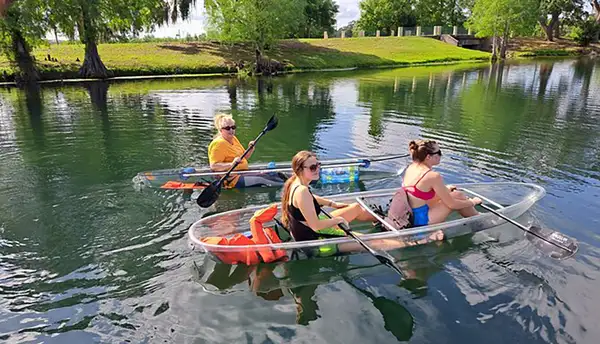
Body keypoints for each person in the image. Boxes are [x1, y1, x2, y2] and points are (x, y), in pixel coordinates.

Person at [280, 150, 411, 256]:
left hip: (312, 226)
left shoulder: (295, 182)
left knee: (355, 207)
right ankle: (412, 243)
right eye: (313, 167)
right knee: (375, 241)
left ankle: (385, 221)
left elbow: (310, 198)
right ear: (299, 169)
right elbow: (316, 226)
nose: (317, 169)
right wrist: (338, 220)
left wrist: (332, 204)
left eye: (318, 165)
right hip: (317, 241)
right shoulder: (301, 191)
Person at [402, 139, 482, 228]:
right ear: (428, 157)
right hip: (421, 220)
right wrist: (472, 202)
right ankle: (480, 221)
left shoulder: (411, 167)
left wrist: (446, 189)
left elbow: (420, 193)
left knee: (458, 194)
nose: (441, 155)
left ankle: (476, 217)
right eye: (438, 152)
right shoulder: (432, 176)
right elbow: (452, 204)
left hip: (410, 213)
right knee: (459, 198)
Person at [208, 113, 283, 188]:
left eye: (233, 127)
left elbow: (244, 157)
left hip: (243, 172)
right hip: (232, 179)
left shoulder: (233, 139)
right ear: (221, 130)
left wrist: (250, 149)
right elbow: (214, 166)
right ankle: (286, 187)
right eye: (228, 128)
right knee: (263, 179)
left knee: (274, 175)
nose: (231, 130)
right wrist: (231, 164)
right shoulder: (218, 144)